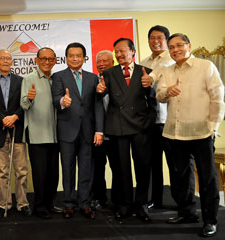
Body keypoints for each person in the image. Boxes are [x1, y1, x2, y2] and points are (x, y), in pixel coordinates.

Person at [156, 33, 224, 237]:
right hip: (174, 133)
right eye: (171, 47)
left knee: (207, 178)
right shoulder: (167, 71)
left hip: (201, 132)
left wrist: (213, 126)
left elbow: (218, 98)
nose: (175, 49)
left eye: (179, 45)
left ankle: (210, 220)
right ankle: (186, 213)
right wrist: (169, 91)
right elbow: (159, 95)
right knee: (180, 177)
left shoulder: (206, 67)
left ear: (189, 46)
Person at [96, 38, 156, 223]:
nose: (119, 55)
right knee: (122, 169)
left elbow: (153, 102)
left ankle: (142, 205)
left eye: (123, 51)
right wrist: (99, 90)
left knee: (143, 167)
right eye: (117, 52)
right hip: (118, 127)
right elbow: (101, 96)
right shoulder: (109, 73)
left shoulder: (146, 72)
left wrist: (148, 123)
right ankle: (124, 205)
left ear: (132, 51)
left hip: (141, 127)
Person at [51, 42, 104, 219]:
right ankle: (68, 203)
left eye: (78, 55)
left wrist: (99, 131)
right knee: (67, 169)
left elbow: (97, 105)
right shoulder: (58, 77)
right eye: (71, 55)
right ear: (66, 58)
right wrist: (62, 102)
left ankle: (85, 204)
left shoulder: (93, 78)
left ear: (84, 57)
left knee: (86, 169)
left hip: (88, 132)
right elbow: (55, 99)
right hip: (67, 131)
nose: (75, 58)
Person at [0, 49, 31, 218]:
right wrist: (2, 119)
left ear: (12, 62)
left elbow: (25, 103)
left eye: (8, 58)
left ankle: (22, 203)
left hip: (17, 129)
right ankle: (3, 204)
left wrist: (15, 116)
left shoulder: (21, 81)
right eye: (2, 58)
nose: (5, 61)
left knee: (21, 170)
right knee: (1, 171)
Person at [20, 47, 62, 219]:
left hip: (56, 134)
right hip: (37, 134)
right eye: (43, 59)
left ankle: (50, 204)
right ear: (36, 61)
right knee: (40, 174)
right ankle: (39, 206)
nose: (46, 62)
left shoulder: (57, 79)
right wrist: (29, 98)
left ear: (55, 61)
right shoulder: (29, 79)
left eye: (50, 59)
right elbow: (23, 105)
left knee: (53, 173)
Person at [140, 25, 175, 209]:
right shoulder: (143, 62)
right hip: (150, 121)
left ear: (167, 40)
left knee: (175, 163)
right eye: (152, 38)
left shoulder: (172, 59)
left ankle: (180, 201)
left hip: (170, 120)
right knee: (153, 164)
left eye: (160, 38)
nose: (155, 41)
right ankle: (156, 199)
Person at [90, 50, 117, 210]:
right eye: (98, 61)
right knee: (97, 169)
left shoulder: (118, 81)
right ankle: (99, 198)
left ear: (112, 63)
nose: (101, 64)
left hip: (115, 134)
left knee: (118, 168)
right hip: (97, 134)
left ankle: (117, 199)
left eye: (105, 61)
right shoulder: (92, 81)